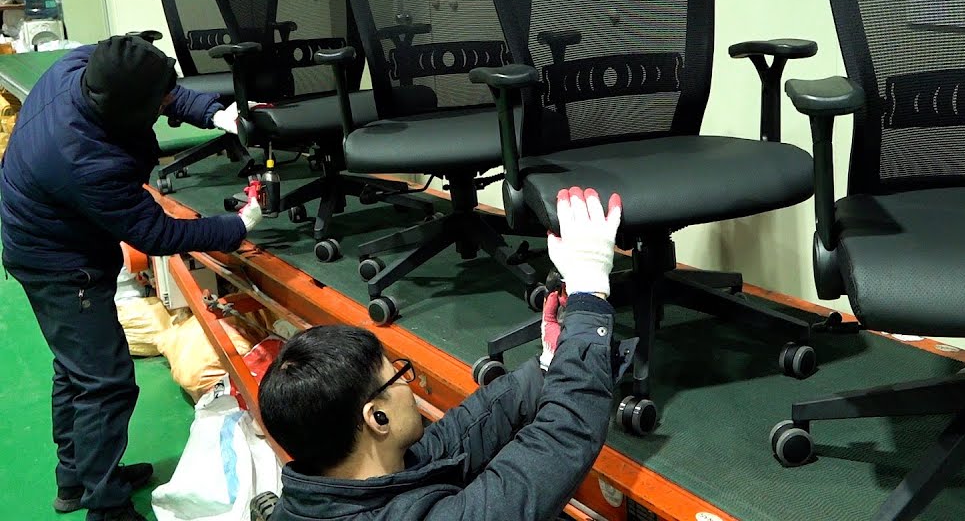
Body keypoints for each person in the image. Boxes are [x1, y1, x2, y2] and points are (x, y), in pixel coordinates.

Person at [1, 35, 262, 521]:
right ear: (127, 111)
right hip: (58, 265)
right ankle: (106, 507)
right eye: (159, 104)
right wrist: (237, 225)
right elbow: (155, 232)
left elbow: (157, 89)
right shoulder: (85, 159)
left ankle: (77, 480)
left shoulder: (83, 66)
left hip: (44, 239)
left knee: (76, 369)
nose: (167, 104)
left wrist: (214, 113)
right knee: (106, 383)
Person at [259, 186, 626, 521]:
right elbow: (557, 444)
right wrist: (589, 294)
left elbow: (450, 442)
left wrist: (546, 365)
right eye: (397, 375)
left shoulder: (329, 488)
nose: (408, 383)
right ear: (376, 417)